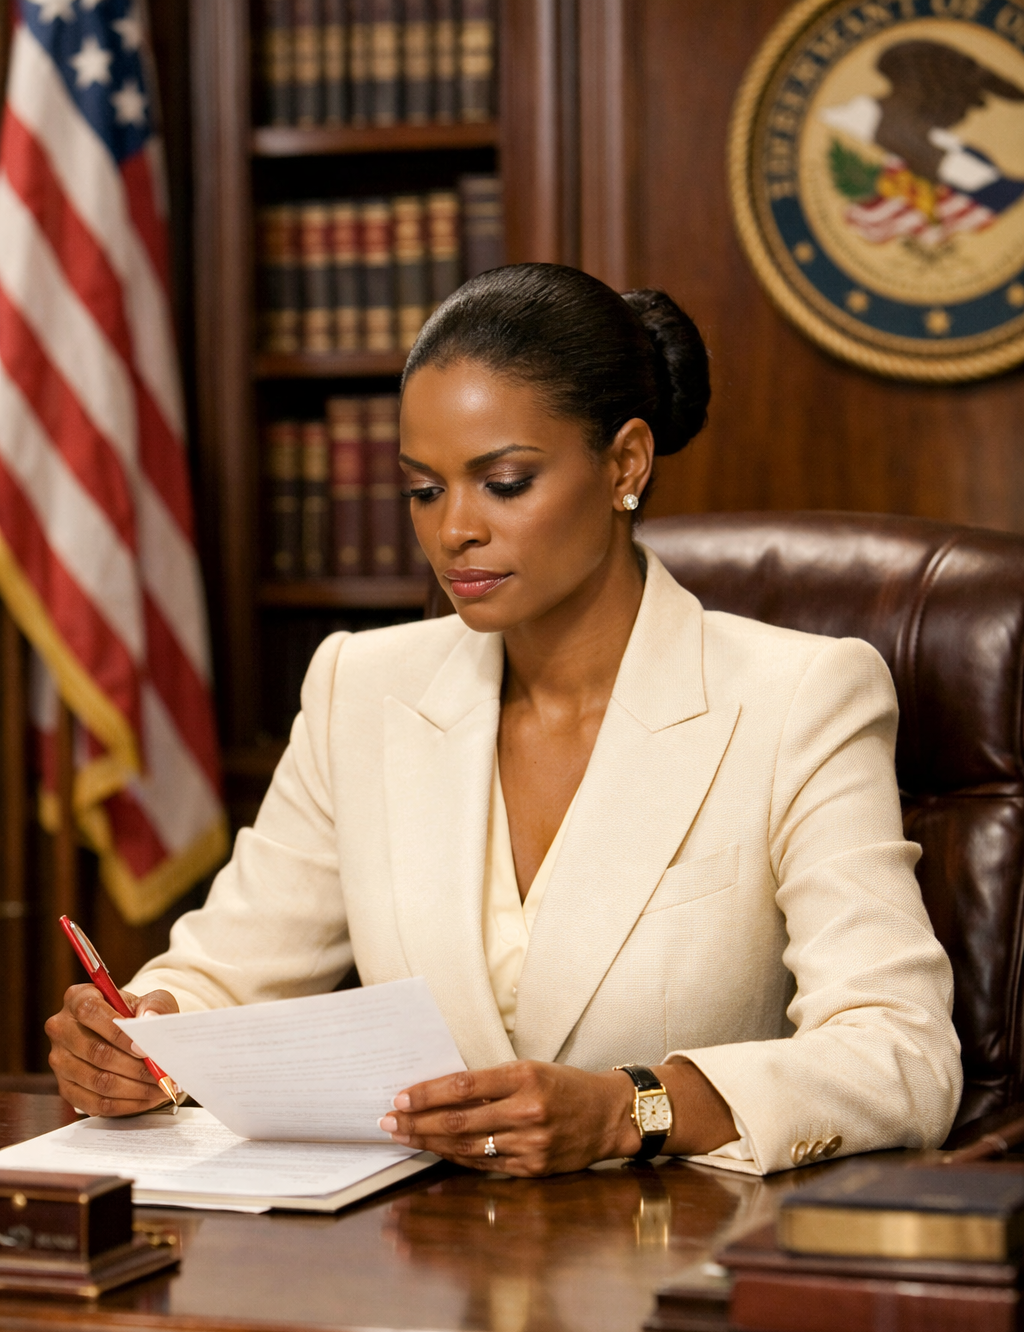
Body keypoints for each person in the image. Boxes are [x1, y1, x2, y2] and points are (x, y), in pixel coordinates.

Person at [44, 264, 961, 1177]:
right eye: (424, 489)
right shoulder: (360, 688)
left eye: (505, 482)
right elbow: (222, 972)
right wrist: (140, 1038)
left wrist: (628, 1109)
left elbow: (902, 1055)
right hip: (418, 1266)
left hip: (672, 1264)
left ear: (625, 463)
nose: (453, 532)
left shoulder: (802, 696)